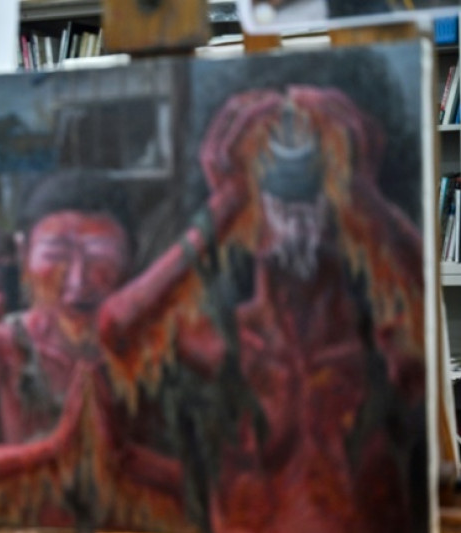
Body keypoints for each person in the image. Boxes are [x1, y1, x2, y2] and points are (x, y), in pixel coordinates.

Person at [98, 86, 426, 532]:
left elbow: (443, 315)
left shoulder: (381, 348)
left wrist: (362, 192)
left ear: (337, 214)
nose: (296, 222)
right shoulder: (221, 346)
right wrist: (228, 202)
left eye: (311, 205)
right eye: (279, 206)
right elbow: (118, 331)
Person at [0, 174, 191, 531]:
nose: (77, 281)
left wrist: (124, 457)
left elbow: (207, 485)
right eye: (56, 256)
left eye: (99, 258)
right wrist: (53, 448)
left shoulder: (153, 352)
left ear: (131, 259)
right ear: (24, 255)